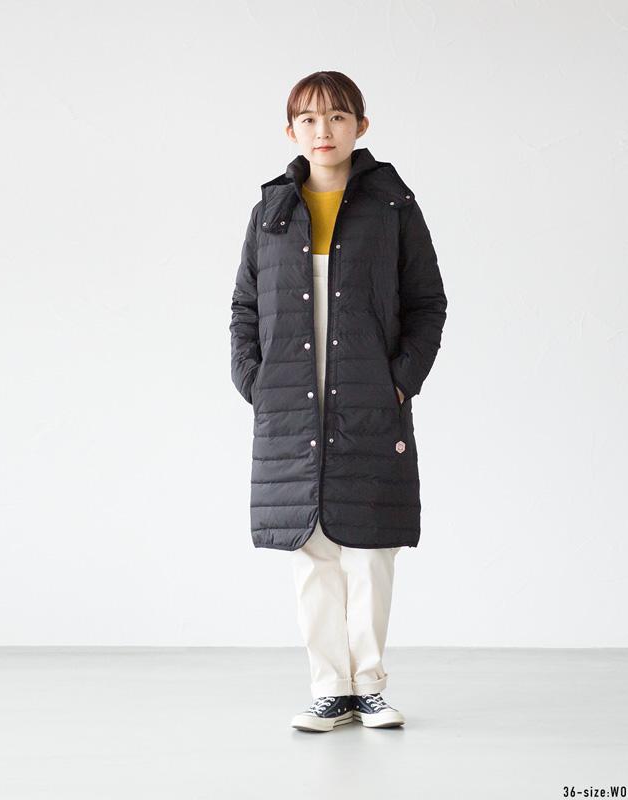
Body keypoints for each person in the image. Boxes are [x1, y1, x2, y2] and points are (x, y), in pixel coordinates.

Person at [229, 71, 448, 732]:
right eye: (309, 119)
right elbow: (244, 307)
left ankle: (370, 687)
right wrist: (254, 381)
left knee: (370, 551)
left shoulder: (393, 206)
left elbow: (428, 303)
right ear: (290, 130)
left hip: (369, 403)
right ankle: (330, 688)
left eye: (337, 117)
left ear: (361, 126)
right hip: (291, 408)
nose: (323, 131)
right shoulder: (271, 211)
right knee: (313, 555)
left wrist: (400, 380)